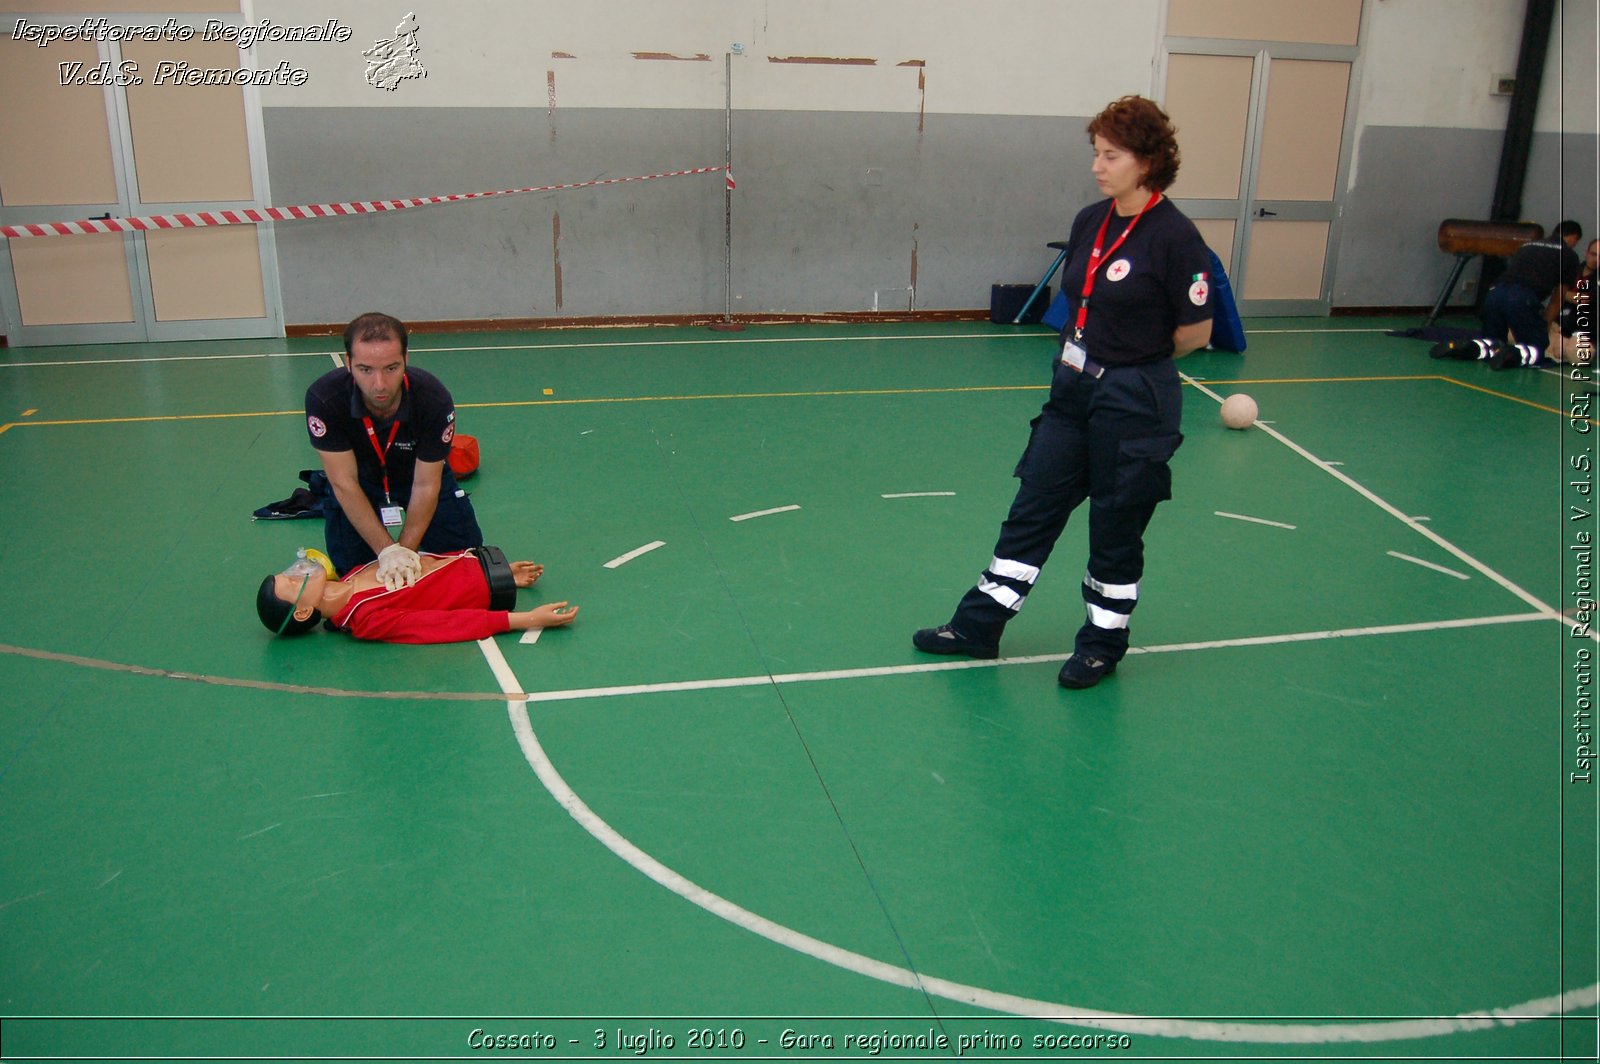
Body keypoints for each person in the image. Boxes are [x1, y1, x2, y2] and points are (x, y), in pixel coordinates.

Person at [912, 95, 1212, 689]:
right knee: (1032, 508)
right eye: (1095, 153)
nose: (1098, 166)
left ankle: (1102, 644)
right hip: (1072, 395)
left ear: (1148, 161)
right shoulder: (1090, 220)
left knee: (1115, 528)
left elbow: (1195, 333)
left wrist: (1129, 364)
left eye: (1112, 155)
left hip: (1134, 402)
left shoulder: (1175, 237)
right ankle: (979, 627)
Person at [305, 312, 483, 583]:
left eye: (391, 368)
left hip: (418, 477)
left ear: (405, 361)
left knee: (468, 563)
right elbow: (343, 482)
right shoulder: (324, 399)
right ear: (349, 364)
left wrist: (406, 554)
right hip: (359, 482)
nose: (379, 384)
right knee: (355, 574)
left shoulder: (433, 399)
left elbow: (426, 485)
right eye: (366, 369)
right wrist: (387, 550)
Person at [256, 545, 578, 644]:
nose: (297, 570)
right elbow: (441, 625)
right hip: (487, 593)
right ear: (301, 612)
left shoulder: (352, 574)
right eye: (290, 581)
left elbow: (423, 565)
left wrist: (489, 565)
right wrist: (528, 619)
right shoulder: (364, 619)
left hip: (480, 567)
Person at [1430, 228, 1583, 369]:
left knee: (1492, 342)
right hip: (1521, 297)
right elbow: (1558, 298)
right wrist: (1545, 325)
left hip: (1494, 293)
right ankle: (1512, 354)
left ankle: (1468, 347)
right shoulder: (1569, 255)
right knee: (1535, 349)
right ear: (1573, 238)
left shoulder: (1527, 246)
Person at [1551, 238, 1597, 365]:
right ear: (1586, 253)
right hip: (1560, 323)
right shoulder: (1573, 270)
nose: (1595, 260)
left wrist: (1562, 292)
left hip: (1583, 329)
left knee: (1579, 356)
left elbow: (1584, 300)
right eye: (1593, 254)